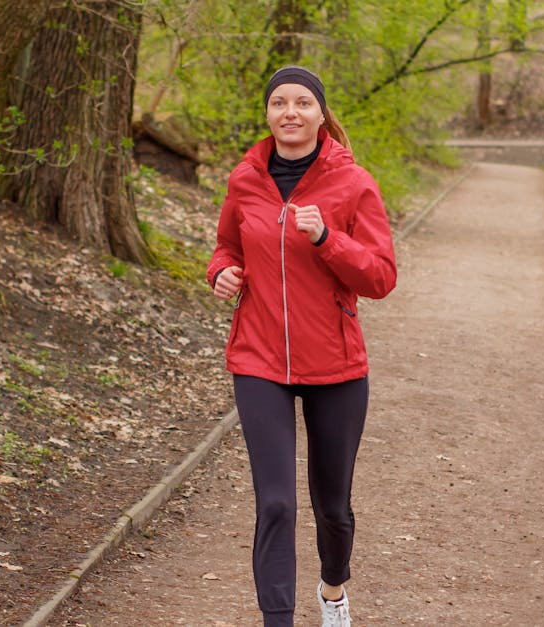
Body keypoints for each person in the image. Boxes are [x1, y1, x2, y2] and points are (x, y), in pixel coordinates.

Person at [207, 65, 397, 627]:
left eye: (302, 103)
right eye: (278, 103)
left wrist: (326, 238)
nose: (290, 112)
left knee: (332, 507)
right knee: (275, 502)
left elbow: (381, 277)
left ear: (320, 114)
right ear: (267, 113)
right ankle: (278, 619)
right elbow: (224, 247)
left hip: (335, 365)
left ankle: (333, 591)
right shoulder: (244, 180)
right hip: (258, 358)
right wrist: (221, 273)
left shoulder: (353, 182)